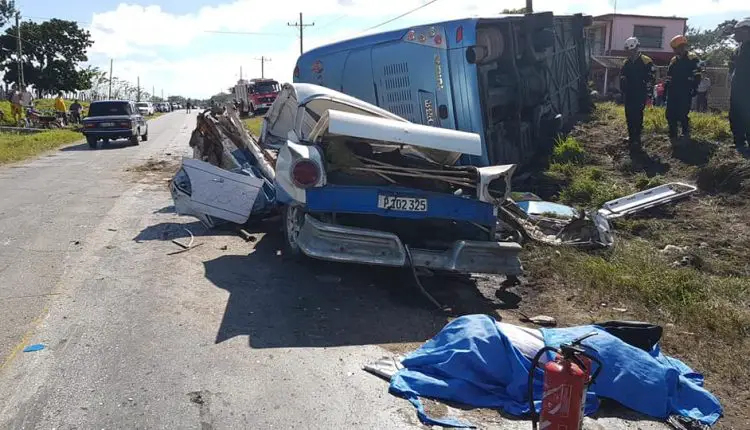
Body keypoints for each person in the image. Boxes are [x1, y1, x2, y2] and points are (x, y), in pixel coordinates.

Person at [619, 37, 655, 147]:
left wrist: (649, 92)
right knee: (629, 114)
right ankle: (631, 136)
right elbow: (622, 76)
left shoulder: (646, 61)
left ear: (636, 48)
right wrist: (622, 88)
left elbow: (651, 77)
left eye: (631, 50)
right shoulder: (626, 62)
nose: (629, 53)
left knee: (637, 114)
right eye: (628, 51)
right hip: (629, 93)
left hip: (640, 92)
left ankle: (637, 137)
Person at [665, 35, 701, 141]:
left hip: (685, 90)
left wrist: (694, 87)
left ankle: (685, 132)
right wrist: (666, 88)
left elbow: (697, 74)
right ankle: (673, 133)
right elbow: (669, 75)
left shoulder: (692, 58)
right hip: (673, 90)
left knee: (682, 112)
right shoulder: (673, 60)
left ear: (682, 46)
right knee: (670, 113)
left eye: (675, 48)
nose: (675, 51)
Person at [729, 17, 750, 150]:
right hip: (737, 88)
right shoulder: (738, 49)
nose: (735, 35)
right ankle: (739, 142)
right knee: (735, 115)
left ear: (746, 31)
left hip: (747, 89)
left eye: (737, 32)